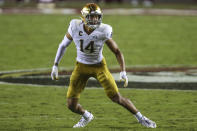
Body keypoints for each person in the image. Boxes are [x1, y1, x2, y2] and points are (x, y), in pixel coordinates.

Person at [51, 3, 156, 128]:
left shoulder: (104, 30)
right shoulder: (75, 26)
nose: (95, 19)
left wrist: (123, 71)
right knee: (71, 105)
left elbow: (117, 51)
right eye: (91, 16)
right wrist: (55, 65)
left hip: (99, 67)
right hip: (80, 67)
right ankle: (86, 116)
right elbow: (63, 45)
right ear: (84, 17)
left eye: (97, 17)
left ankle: (141, 118)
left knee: (117, 98)